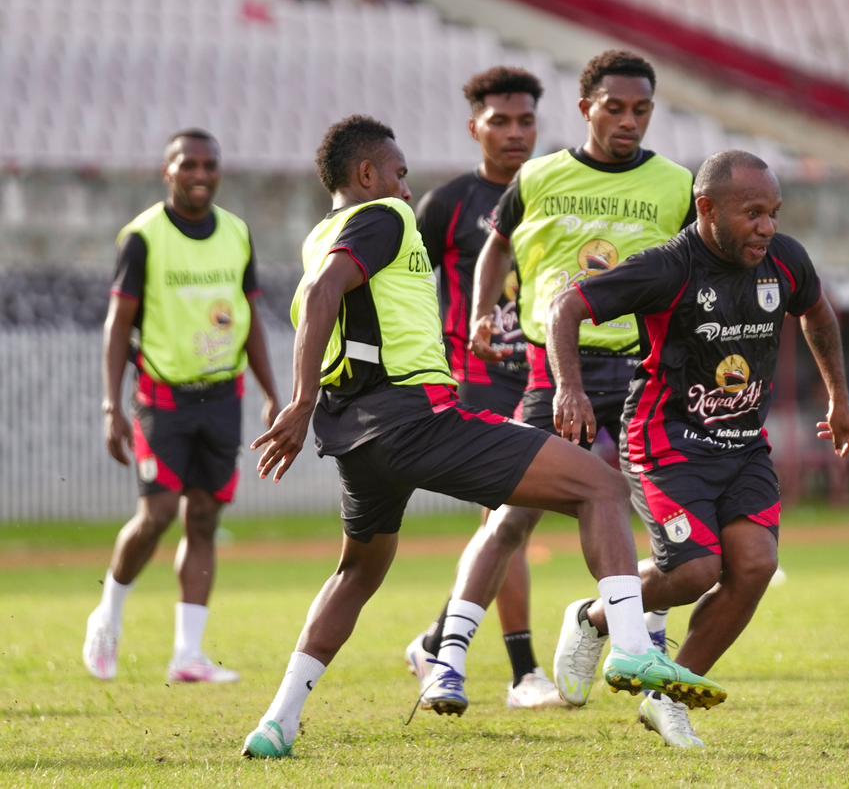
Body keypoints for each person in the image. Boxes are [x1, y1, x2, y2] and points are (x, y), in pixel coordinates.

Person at [241, 115, 721, 759]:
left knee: (357, 571)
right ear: (366, 175)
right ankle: (632, 650)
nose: (407, 189)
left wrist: (311, 406)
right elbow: (331, 288)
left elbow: (328, 299)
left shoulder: (318, 235)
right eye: (399, 173)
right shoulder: (382, 217)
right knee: (600, 488)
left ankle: (278, 721)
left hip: (357, 437)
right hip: (416, 418)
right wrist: (297, 401)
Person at [409, 50, 696, 714]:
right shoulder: (538, 178)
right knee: (510, 518)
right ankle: (447, 663)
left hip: (635, 373)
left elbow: (694, 269)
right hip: (550, 373)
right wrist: (483, 309)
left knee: (669, 518)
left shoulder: (676, 185)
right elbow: (498, 245)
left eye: (641, 110)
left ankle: (630, 636)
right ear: (585, 108)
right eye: (615, 108)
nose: (628, 121)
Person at [545, 150, 849, 748]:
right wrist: (570, 388)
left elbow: (818, 315)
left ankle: (669, 696)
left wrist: (839, 397)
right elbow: (568, 307)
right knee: (693, 571)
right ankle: (594, 618)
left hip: (742, 446)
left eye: (773, 213)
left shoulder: (785, 261)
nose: (768, 227)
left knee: (755, 566)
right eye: (753, 213)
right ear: (707, 208)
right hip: (666, 438)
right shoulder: (668, 267)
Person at [84, 129, 280, 684]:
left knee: (204, 517)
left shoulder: (238, 233)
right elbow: (118, 324)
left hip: (222, 396)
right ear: (167, 171)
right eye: (187, 163)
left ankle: (188, 656)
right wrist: (110, 406)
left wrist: (272, 392)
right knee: (159, 514)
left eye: (209, 164)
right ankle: (109, 615)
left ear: (219, 171)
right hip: (162, 398)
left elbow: (250, 317)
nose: (200, 173)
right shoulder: (143, 236)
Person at [403, 66, 562, 709]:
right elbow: (403, 285)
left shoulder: (558, 193)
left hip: (551, 375)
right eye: (501, 120)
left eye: (526, 120)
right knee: (509, 517)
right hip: (477, 380)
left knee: (514, 522)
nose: (515, 132)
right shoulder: (446, 206)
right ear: (475, 127)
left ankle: (437, 641)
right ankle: (523, 671)